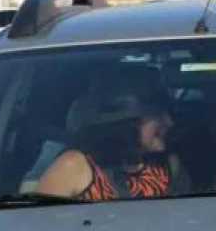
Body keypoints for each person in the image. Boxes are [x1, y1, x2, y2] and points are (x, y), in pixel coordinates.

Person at [37, 74, 190, 201]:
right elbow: (40, 227)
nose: (169, 123)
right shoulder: (72, 166)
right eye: (158, 116)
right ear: (128, 123)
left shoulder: (168, 164)